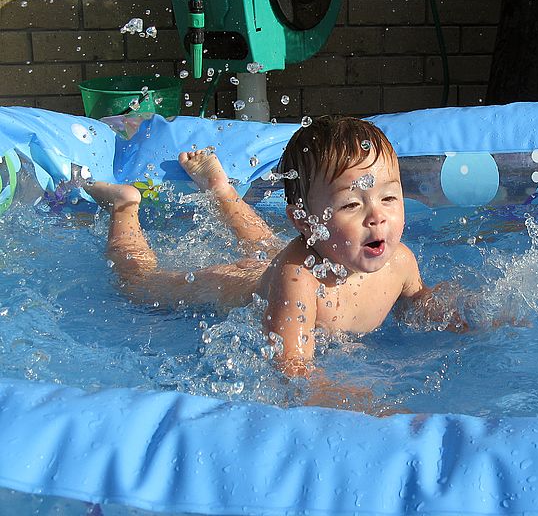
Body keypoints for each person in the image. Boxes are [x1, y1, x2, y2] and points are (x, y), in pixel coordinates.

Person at [87, 115, 463, 406]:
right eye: (352, 204)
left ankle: (220, 188)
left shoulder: (398, 261)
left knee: (265, 243)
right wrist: (358, 402)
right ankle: (124, 205)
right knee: (140, 285)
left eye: (389, 198)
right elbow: (292, 368)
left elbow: (419, 301)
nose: (377, 216)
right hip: (238, 286)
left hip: (295, 253)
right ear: (305, 221)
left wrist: (462, 317)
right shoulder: (298, 280)